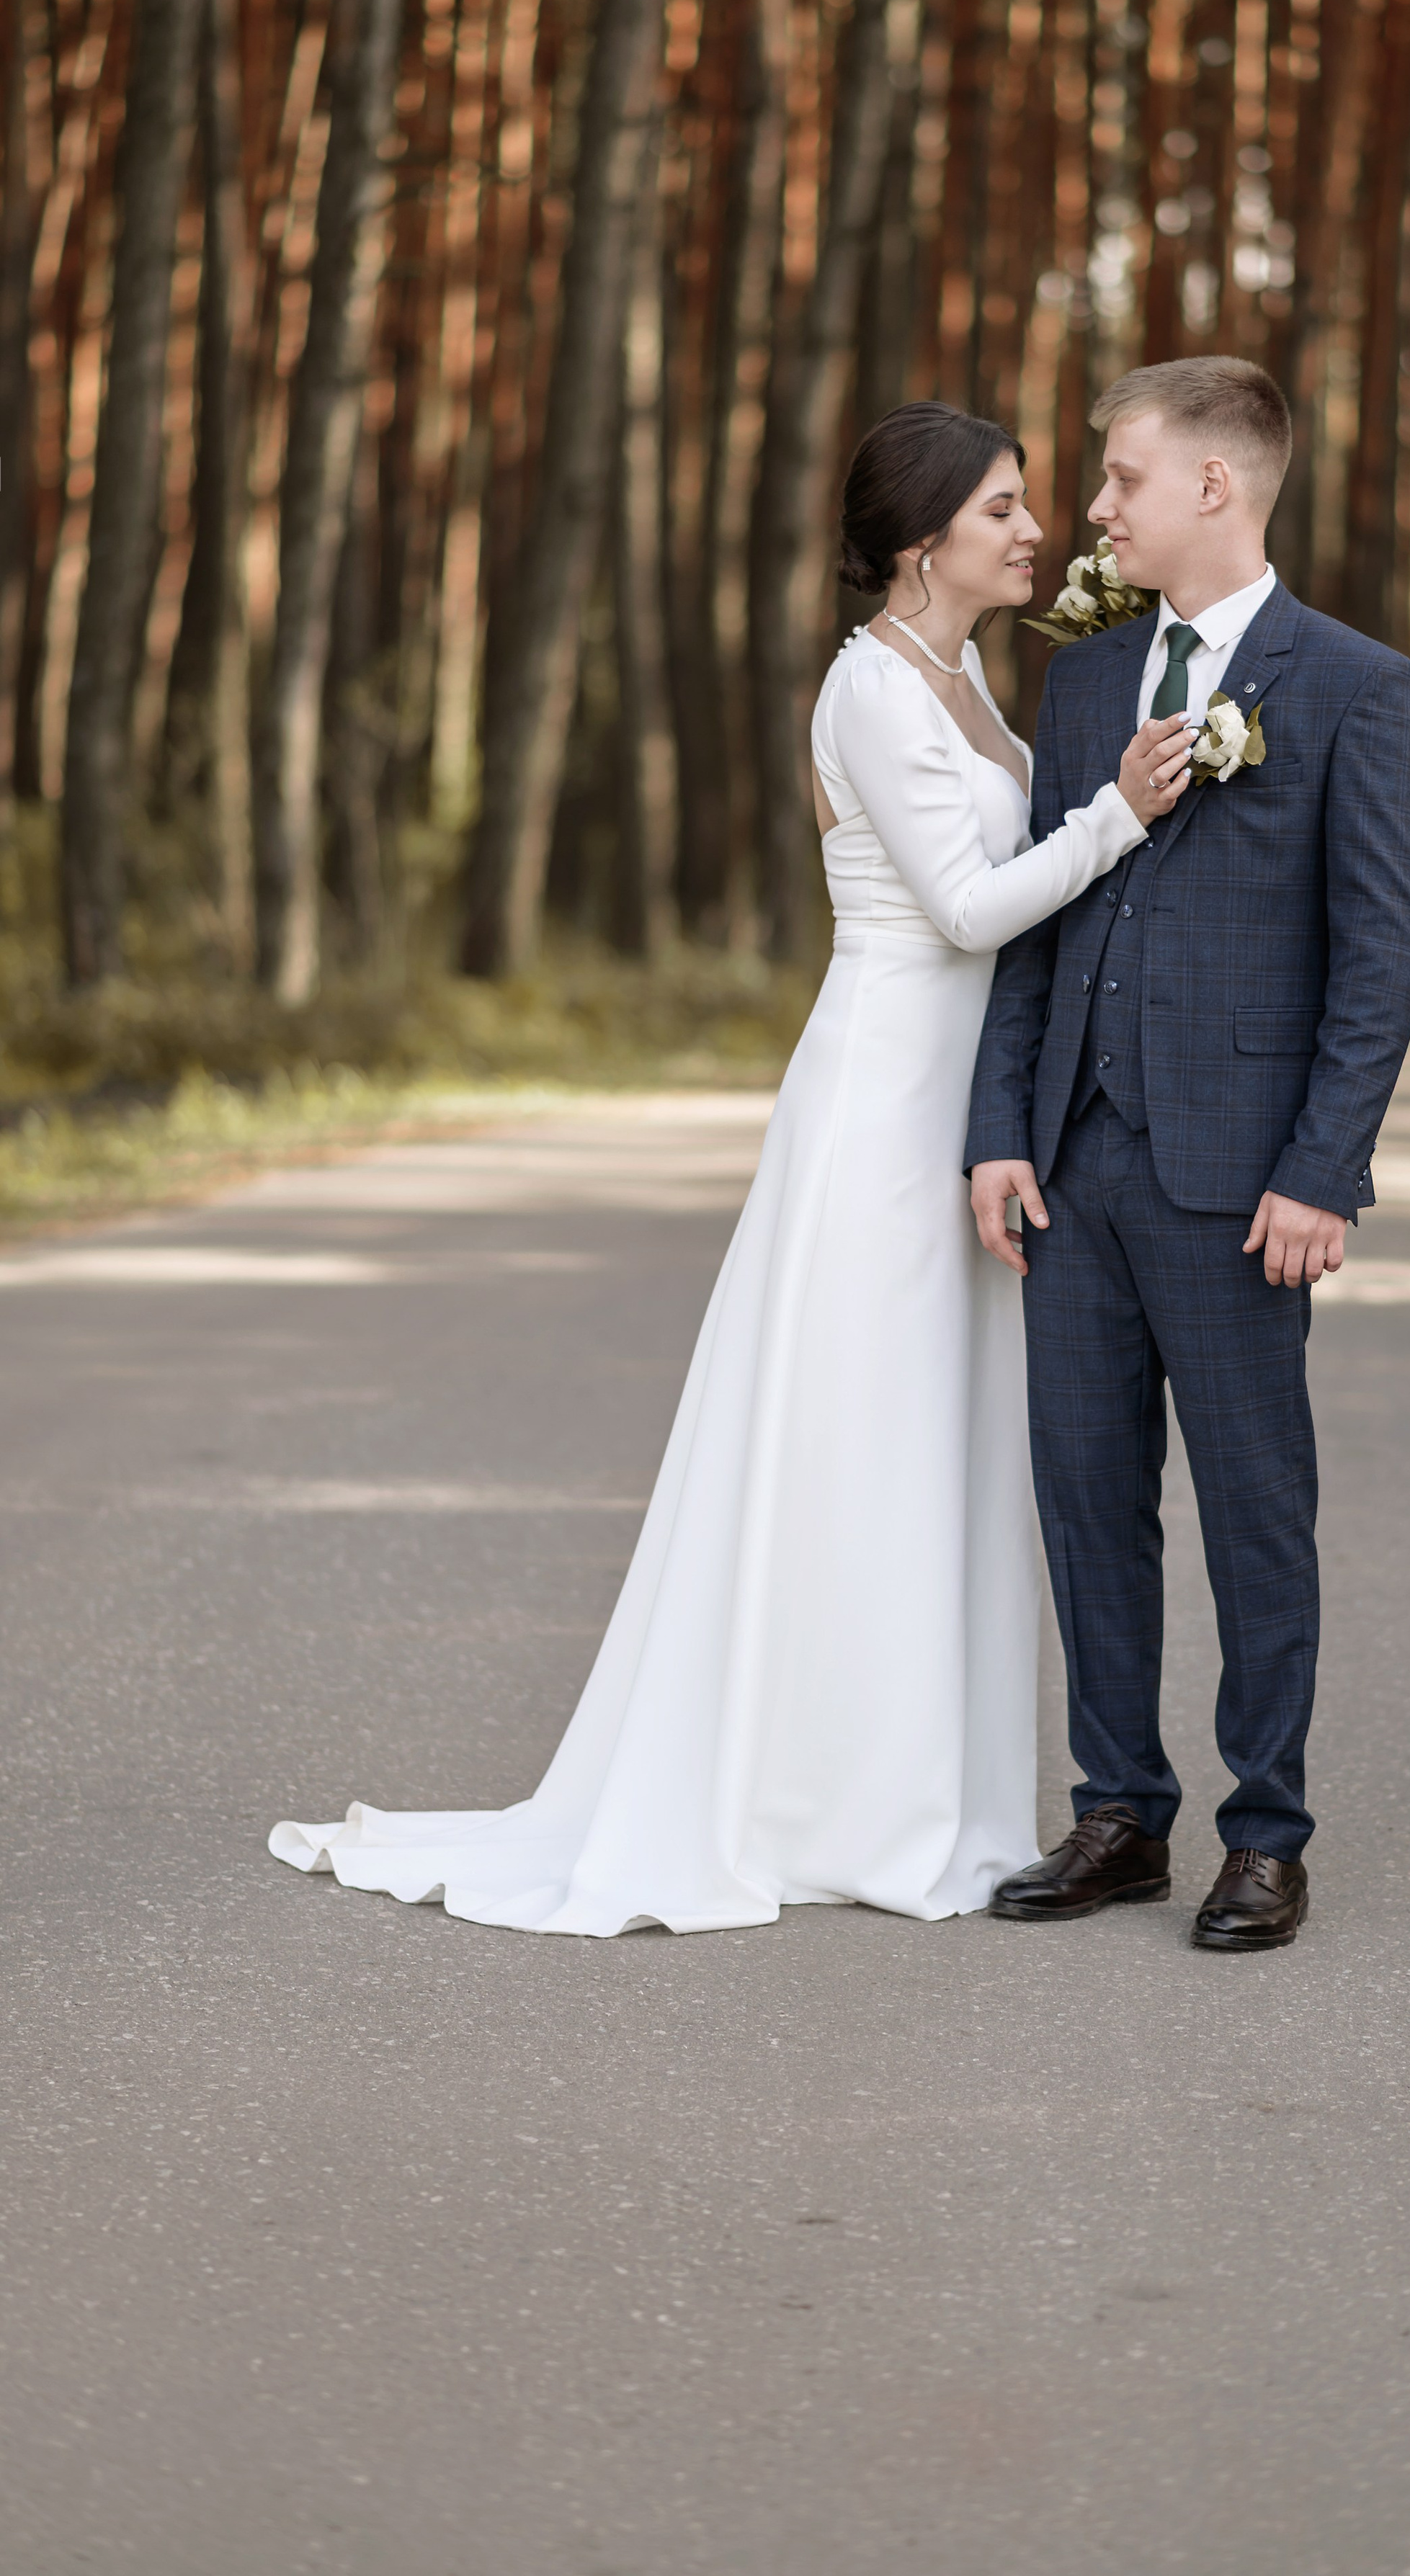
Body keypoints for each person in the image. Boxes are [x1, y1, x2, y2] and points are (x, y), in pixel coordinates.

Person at [269, 403, 1194, 1934]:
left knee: (937, 1442)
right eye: (1002, 509)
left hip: (961, 1100)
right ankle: (817, 1802)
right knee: (859, 1434)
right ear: (921, 544)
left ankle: (910, 1792)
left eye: (1031, 504)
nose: (1035, 531)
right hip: (883, 1098)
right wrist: (1117, 813)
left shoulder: (962, 673)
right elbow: (966, 909)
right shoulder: (868, 689)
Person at [967, 356, 1410, 1952]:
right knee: (1086, 1501)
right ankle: (1118, 1814)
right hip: (1073, 1170)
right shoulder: (1088, 682)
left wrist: (1323, 1169)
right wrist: (999, 1132)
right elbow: (1037, 924)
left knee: (1251, 1506)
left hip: (1241, 1186)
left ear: (1212, 486)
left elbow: (1379, 956)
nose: (1095, 509)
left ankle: (1265, 1834)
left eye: (1120, 477)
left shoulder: (1355, 685)